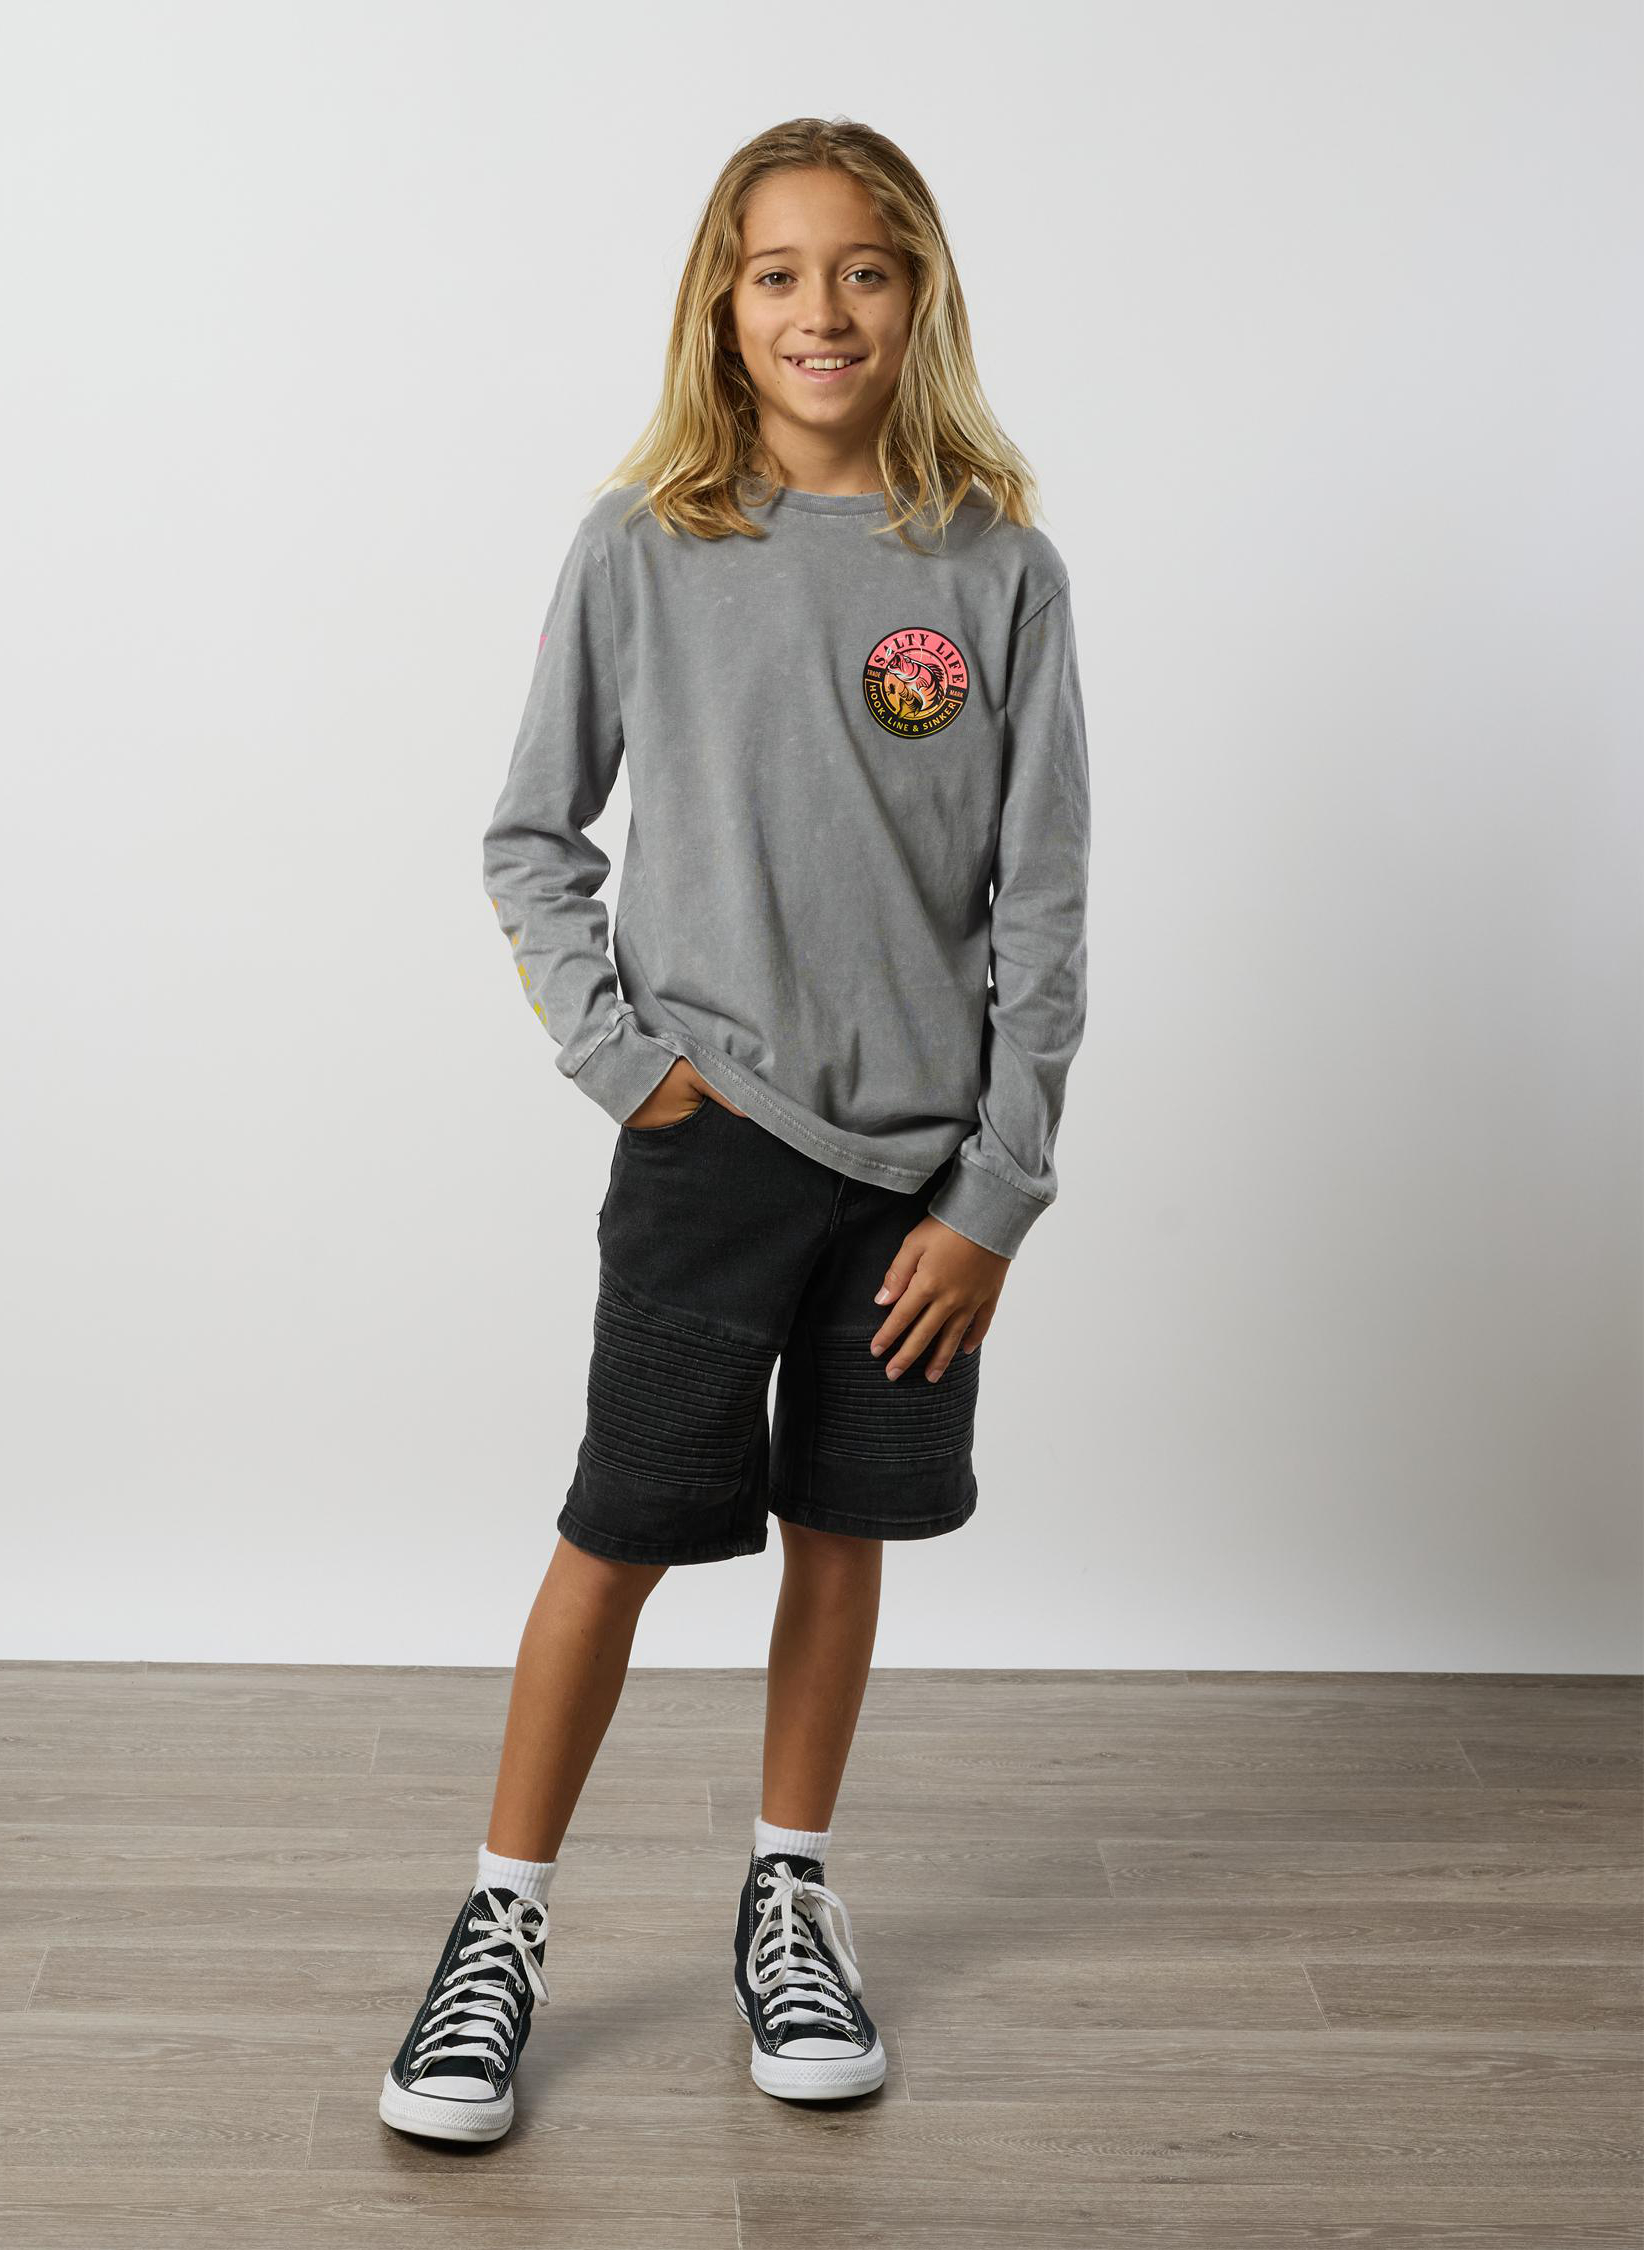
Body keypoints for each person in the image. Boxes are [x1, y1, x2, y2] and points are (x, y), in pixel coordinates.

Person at [379, 114, 1091, 2145]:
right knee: (619, 1529)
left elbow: (1042, 907)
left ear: (920, 294)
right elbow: (529, 837)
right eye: (778, 272)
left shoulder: (1001, 571)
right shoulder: (644, 544)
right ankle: (500, 1921)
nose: (821, 309)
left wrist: (999, 1191)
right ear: (722, 301)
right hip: (708, 1153)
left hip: (922, 1191)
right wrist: (630, 1070)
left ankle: (790, 1893)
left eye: (864, 268)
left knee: (840, 1530)